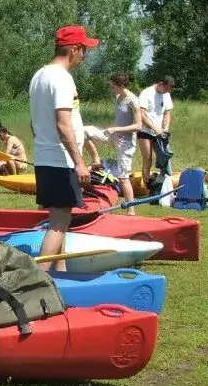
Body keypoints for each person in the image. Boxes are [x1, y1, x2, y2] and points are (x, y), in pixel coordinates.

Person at [29, 24, 100, 271]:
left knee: (60, 221)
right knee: (59, 224)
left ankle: (61, 275)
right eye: (84, 50)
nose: (85, 56)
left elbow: (34, 123)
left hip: (45, 158)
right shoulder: (62, 78)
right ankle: (35, 281)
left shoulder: (39, 75)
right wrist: (79, 162)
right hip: (61, 161)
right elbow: (63, 124)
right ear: (74, 49)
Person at [102, 73, 143, 214]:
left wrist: (115, 129)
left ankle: (131, 211)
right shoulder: (118, 97)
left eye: (112, 85)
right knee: (86, 132)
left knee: (123, 177)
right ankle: (96, 160)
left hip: (126, 142)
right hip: (113, 137)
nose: (110, 87)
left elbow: (138, 126)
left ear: (120, 86)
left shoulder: (133, 100)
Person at [137, 76, 175, 179]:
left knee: (165, 158)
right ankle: (146, 187)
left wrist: (165, 128)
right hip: (145, 131)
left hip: (159, 133)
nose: (166, 91)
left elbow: (167, 114)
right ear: (160, 84)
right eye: (166, 89)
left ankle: (164, 183)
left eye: (168, 90)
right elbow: (142, 114)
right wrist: (154, 128)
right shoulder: (146, 93)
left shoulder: (166, 95)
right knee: (148, 160)